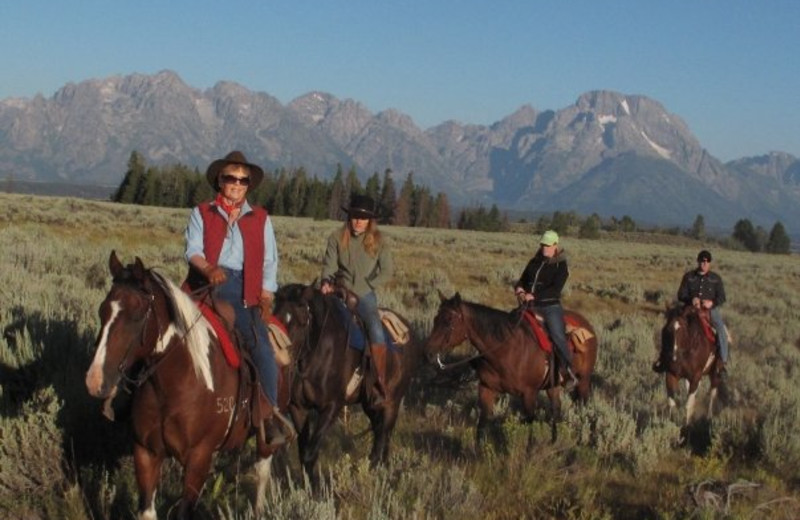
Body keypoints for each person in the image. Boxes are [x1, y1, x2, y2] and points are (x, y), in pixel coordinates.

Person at [184, 150, 291, 448]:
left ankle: (269, 417)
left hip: (244, 289)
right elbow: (193, 249)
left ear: (248, 186)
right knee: (167, 329)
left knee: (260, 347)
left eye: (243, 180)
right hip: (203, 284)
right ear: (220, 180)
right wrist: (208, 268)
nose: (237, 184)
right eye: (231, 178)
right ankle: (128, 395)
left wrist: (267, 295)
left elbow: (270, 259)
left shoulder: (260, 219)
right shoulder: (202, 212)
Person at [320, 194, 394, 402]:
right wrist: (326, 281)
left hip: (365, 295)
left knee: (376, 329)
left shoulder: (379, 241)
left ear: (370, 220)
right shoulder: (336, 237)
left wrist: (367, 286)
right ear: (349, 216)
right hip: (339, 291)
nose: (358, 221)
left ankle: (380, 382)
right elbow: (329, 265)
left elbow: (387, 271)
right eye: (354, 216)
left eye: (363, 217)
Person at [514, 229, 578, 388]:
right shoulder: (534, 261)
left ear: (556, 245)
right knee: (509, 325)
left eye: (548, 245)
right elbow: (522, 280)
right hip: (528, 306)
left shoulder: (561, 266)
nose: (544, 248)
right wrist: (520, 290)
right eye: (543, 244)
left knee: (557, 334)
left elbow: (555, 289)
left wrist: (534, 295)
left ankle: (567, 370)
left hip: (550, 307)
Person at [678, 249, 729, 371]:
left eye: (707, 261)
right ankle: (666, 358)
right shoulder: (689, 277)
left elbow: (722, 297)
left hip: (710, 311)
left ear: (710, 263)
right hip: (690, 310)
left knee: (721, 330)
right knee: (673, 326)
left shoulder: (716, 278)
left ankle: (722, 362)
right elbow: (680, 294)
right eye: (702, 261)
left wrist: (712, 303)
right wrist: (691, 299)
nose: (704, 263)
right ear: (698, 261)